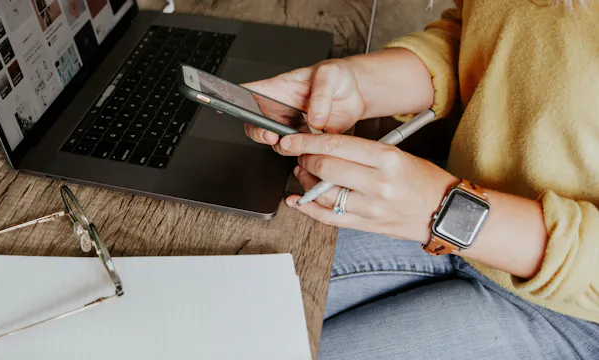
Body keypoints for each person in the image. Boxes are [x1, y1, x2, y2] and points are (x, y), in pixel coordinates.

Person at [243, 0, 598, 358]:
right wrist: (363, 83)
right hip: (447, 208)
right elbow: (486, 32)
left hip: (573, 311)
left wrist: (447, 210)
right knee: (233, 308)